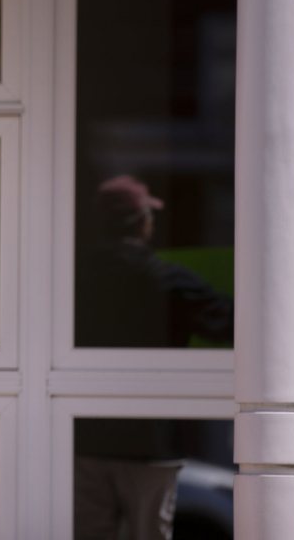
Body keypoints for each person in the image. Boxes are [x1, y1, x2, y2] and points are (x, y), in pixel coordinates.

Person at [73, 175, 233, 540]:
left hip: (85, 434)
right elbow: (230, 324)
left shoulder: (72, 276)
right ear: (143, 221)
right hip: (150, 442)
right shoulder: (165, 279)